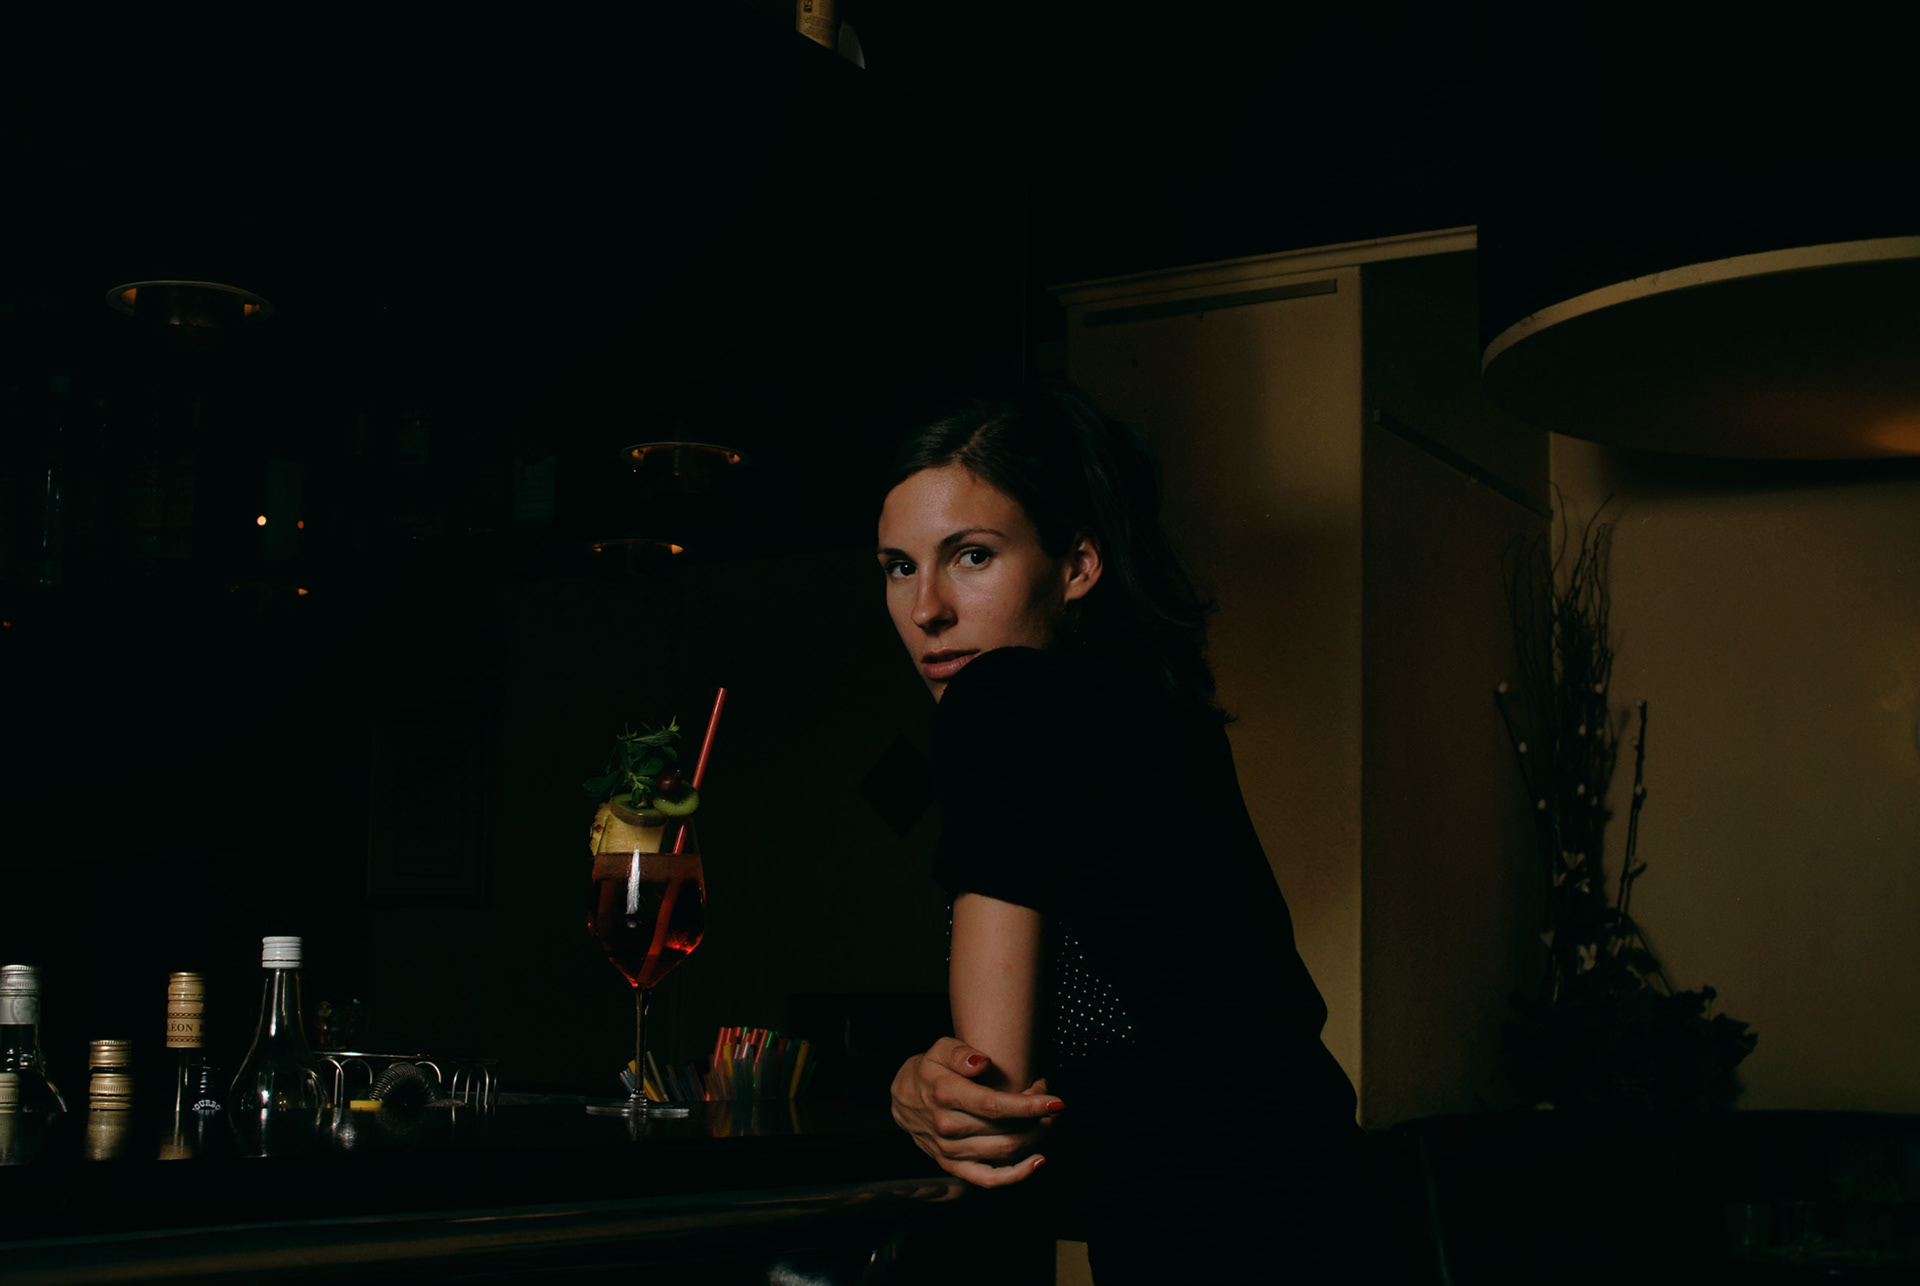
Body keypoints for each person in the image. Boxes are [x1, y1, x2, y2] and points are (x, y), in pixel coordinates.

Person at [877, 384, 1382, 1282]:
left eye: (971, 556)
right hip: (1326, 1212)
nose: (927, 609)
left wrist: (917, 1086)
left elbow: (996, 1104)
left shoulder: (1000, 699)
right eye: (898, 567)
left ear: (1077, 564)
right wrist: (921, 1077)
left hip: (1219, 1245)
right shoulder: (1160, 720)